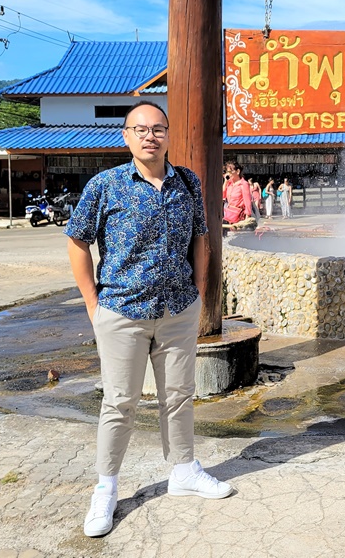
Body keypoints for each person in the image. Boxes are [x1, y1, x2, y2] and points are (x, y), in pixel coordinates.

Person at [65, 100, 232, 539]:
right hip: (121, 311)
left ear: (168, 134)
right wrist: (91, 303)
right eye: (140, 129)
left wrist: (197, 290)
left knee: (179, 394)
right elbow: (77, 242)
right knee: (119, 401)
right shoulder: (106, 186)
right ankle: (106, 486)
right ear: (126, 136)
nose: (149, 136)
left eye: (158, 128)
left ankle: (183, 469)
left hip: (178, 310)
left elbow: (201, 235)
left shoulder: (187, 183)